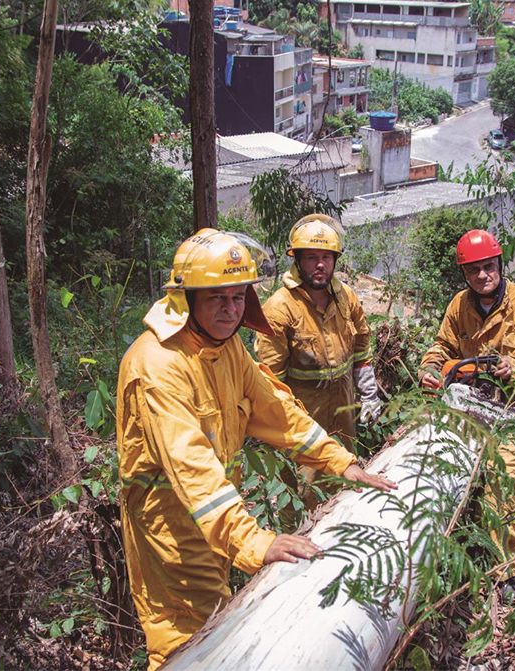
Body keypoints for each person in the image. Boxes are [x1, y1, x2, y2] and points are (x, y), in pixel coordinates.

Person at [116, 229, 395, 669]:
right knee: (182, 644)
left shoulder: (225, 347)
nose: (230, 310)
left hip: (211, 518)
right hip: (170, 524)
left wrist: (340, 462)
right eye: (217, 299)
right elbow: (192, 467)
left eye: (238, 297)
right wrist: (252, 540)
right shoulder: (157, 365)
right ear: (186, 299)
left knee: (216, 629)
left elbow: (277, 409)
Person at [418, 229, 515, 577]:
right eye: (473, 270)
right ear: (464, 274)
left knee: (511, 477)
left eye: (488, 267)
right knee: (513, 478)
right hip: (478, 405)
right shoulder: (459, 306)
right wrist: (429, 367)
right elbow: (443, 346)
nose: (482, 276)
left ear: (499, 264)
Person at [255, 214, 381, 517]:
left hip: (344, 410)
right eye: (311, 257)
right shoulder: (279, 308)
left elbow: (362, 346)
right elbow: (271, 383)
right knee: (305, 496)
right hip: (303, 419)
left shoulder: (345, 298)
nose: (320, 265)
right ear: (297, 260)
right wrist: (291, 428)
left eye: (326, 257)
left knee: (347, 479)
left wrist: (369, 394)